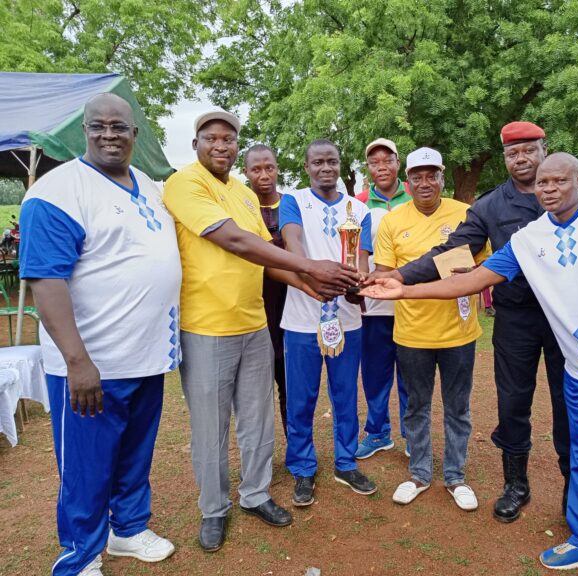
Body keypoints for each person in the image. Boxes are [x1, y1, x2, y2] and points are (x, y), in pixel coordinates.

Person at [362, 153, 578, 576]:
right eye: (543, 183)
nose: (549, 189)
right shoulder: (528, 239)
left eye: (559, 181)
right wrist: (403, 290)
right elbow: (471, 279)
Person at [368, 121, 578, 522]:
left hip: (569, 318)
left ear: (544, 150)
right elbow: (453, 252)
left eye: (529, 150)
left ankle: (574, 491)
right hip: (515, 318)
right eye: (512, 152)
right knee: (513, 403)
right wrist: (400, 276)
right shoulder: (490, 206)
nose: (521, 159)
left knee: (571, 404)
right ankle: (516, 485)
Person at [163, 113, 358, 552]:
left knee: (258, 420)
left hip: (254, 324)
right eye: (211, 138)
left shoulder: (244, 193)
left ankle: (254, 494)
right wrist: (310, 266)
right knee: (211, 427)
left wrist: (312, 286)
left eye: (228, 139)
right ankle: (214, 508)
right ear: (195, 143)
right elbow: (233, 240)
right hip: (207, 327)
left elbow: (265, 256)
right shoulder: (185, 184)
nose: (221, 146)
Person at [20, 93, 179, 576]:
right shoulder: (57, 192)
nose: (109, 134)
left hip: (145, 357)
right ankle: (80, 556)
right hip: (91, 365)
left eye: (119, 126)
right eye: (98, 126)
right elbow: (46, 280)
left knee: (134, 455)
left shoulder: (147, 184)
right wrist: (77, 361)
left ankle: (127, 529)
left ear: (134, 134)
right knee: (86, 467)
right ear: (83, 131)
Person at [375, 147, 488, 510]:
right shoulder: (392, 221)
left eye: (432, 175)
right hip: (412, 332)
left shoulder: (466, 214)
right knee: (416, 407)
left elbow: (485, 265)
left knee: (458, 408)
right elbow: (384, 274)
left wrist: (469, 271)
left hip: (459, 331)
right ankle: (420, 473)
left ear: (442, 177)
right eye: (417, 177)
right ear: (407, 182)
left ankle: (455, 476)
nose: (425, 183)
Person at [279, 139, 377, 506]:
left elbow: (361, 261)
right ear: (306, 167)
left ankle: (346, 463)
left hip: (347, 321)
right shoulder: (294, 201)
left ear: (340, 164)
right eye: (318, 162)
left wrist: (357, 287)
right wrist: (314, 277)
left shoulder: (359, 209)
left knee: (345, 396)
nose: (325, 168)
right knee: (301, 399)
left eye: (332, 161)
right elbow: (292, 246)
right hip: (302, 320)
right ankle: (303, 468)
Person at [355, 137, 411, 459]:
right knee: (375, 374)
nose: (382, 167)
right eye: (374, 162)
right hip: (374, 304)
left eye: (388, 160)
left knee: (411, 375)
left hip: (412, 302)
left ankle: (412, 435)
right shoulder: (358, 203)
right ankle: (377, 433)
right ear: (368, 168)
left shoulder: (417, 196)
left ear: (398, 163)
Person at [244, 143, 288, 437]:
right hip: (253, 310)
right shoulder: (240, 207)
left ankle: (296, 451)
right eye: (256, 169)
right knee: (256, 394)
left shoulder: (291, 206)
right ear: (246, 172)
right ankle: (260, 454)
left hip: (289, 307)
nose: (264, 175)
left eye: (269, 167)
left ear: (277, 169)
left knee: (290, 387)